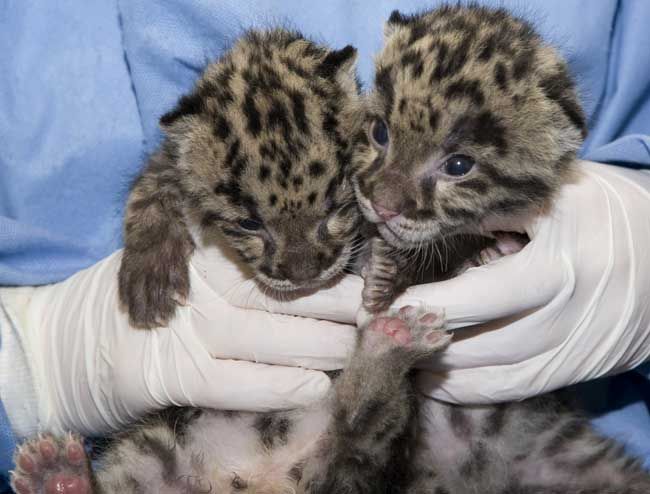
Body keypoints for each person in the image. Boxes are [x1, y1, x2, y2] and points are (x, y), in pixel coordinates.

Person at [2, 0, 650, 490]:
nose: (386, 201)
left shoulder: (363, 128)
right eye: (381, 140)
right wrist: (31, 362)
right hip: (229, 423)